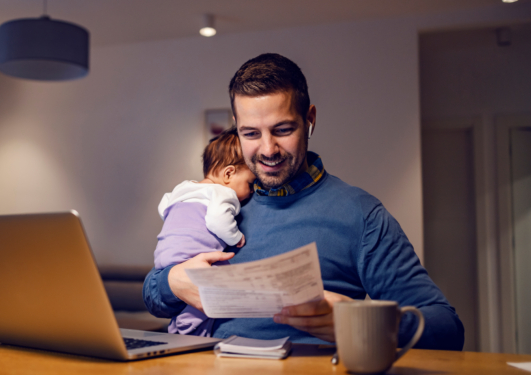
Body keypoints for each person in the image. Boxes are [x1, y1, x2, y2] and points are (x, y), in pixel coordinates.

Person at [143, 53, 465, 350]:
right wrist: (172, 282)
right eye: (251, 133)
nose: (268, 150)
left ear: (310, 119)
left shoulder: (361, 215)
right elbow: (154, 294)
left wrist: (359, 320)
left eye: (283, 129)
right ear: (236, 127)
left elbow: (447, 328)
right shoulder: (222, 204)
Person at [154, 129, 256, 336]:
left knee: (187, 299)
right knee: (214, 291)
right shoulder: (224, 193)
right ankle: (186, 332)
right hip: (193, 254)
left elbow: (163, 206)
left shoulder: (184, 187)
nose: (252, 190)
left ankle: (180, 326)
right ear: (228, 174)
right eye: (250, 183)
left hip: (165, 254)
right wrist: (237, 236)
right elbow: (218, 221)